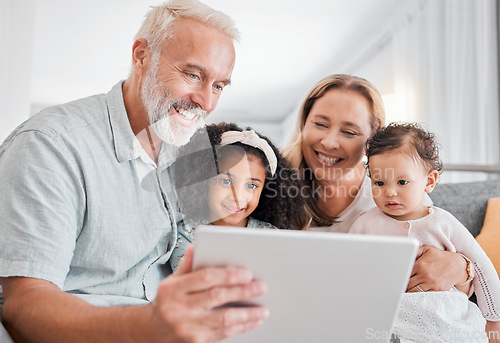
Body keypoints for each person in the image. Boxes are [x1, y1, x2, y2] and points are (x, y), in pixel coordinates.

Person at [0, 1, 270, 342]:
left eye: (218, 85)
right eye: (192, 75)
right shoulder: (50, 145)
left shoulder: (193, 148)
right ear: (141, 55)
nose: (207, 101)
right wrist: (147, 327)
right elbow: (23, 305)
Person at [283, 74, 473, 294]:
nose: (329, 142)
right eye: (320, 124)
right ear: (304, 124)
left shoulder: (396, 193)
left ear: (371, 140)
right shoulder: (271, 184)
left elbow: (463, 292)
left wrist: (460, 268)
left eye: (348, 132)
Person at [350, 122, 500, 342]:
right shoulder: (365, 224)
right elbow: (346, 268)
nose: (390, 192)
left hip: (445, 316)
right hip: (389, 318)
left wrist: (494, 319)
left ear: (429, 181)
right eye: (379, 182)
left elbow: (481, 266)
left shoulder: (443, 222)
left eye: (402, 182)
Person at [169, 122, 304, 271]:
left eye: (251, 186)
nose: (238, 197)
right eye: (226, 181)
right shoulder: (187, 235)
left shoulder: (270, 235)